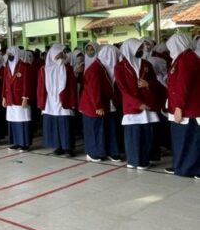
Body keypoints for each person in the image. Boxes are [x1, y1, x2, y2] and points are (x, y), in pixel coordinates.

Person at [115, 38, 166, 170]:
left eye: (141, 48)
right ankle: (133, 160)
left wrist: (148, 84)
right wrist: (137, 104)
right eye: (138, 48)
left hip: (147, 104)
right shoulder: (120, 67)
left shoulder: (146, 64)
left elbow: (155, 83)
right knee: (133, 134)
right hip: (132, 107)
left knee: (146, 134)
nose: (141, 50)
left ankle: (144, 160)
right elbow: (123, 90)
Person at [165, 34, 200, 179]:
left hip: (188, 109)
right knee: (183, 140)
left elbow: (183, 85)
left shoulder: (187, 59)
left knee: (190, 141)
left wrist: (179, 107)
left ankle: (193, 169)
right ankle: (182, 166)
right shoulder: (181, 58)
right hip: (183, 108)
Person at [79, 45, 122, 162]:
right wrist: (97, 105)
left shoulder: (105, 67)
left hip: (107, 104)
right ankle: (94, 153)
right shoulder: (95, 69)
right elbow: (93, 89)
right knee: (95, 130)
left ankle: (111, 151)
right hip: (94, 105)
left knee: (109, 129)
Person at [37, 44, 78, 157]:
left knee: (65, 124)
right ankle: (58, 146)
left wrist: (73, 101)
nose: (61, 56)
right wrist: (41, 102)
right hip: (50, 102)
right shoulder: (44, 69)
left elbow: (72, 87)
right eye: (59, 54)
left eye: (62, 54)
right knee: (54, 125)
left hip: (63, 101)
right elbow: (40, 87)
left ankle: (68, 148)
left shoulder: (67, 68)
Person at [3, 47, 33, 151]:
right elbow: (5, 83)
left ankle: (24, 143)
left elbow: (26, 83)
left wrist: (25, 97)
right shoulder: (7, 66)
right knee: (13, 120)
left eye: (11, 53)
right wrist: (4, 97)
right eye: (8, 54)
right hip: (10, 97)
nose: (9, 55)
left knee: (22, 120)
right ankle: (16, 142)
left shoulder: (23, 66)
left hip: (20, 98)